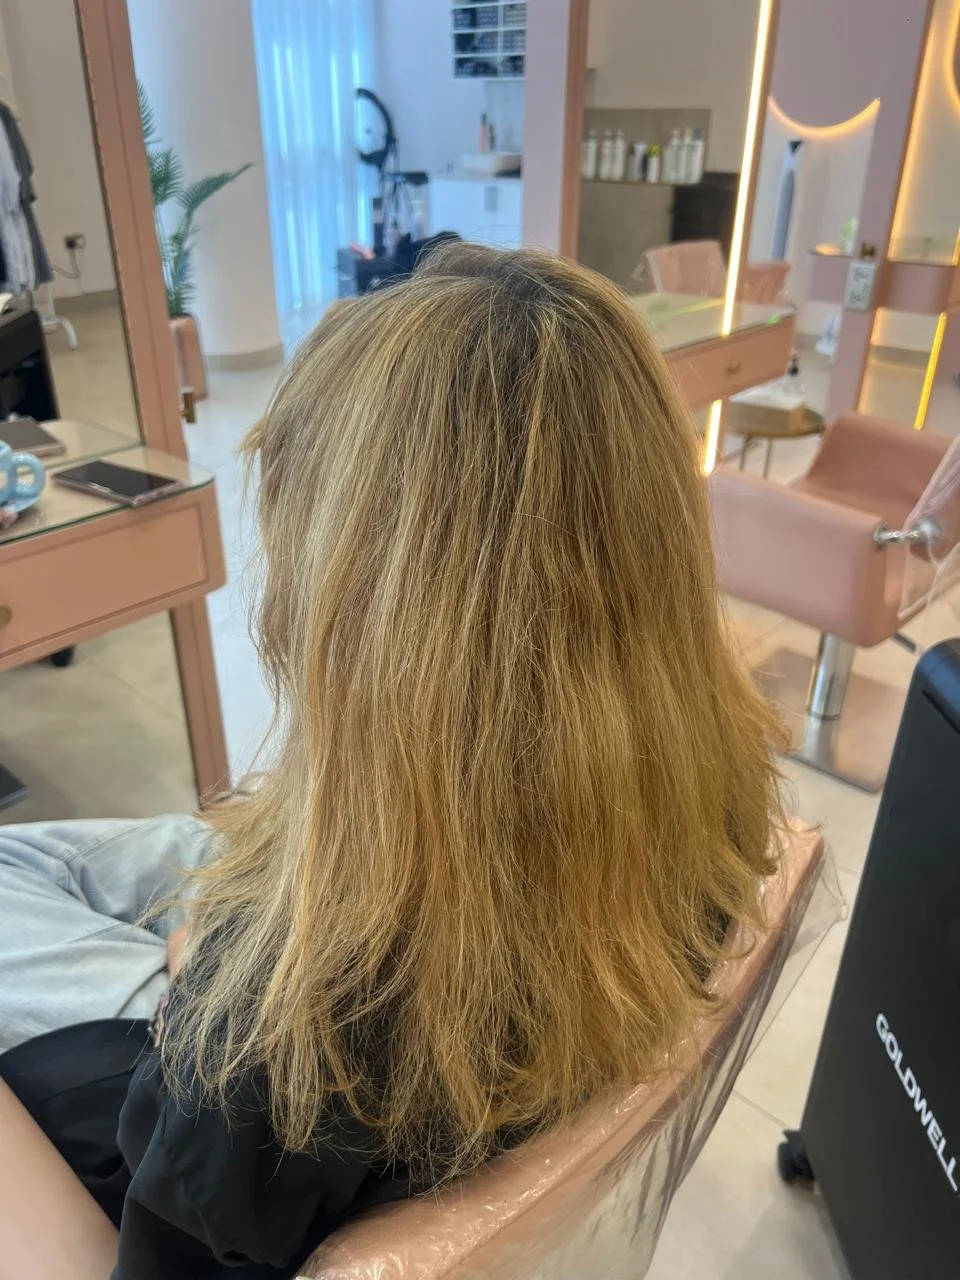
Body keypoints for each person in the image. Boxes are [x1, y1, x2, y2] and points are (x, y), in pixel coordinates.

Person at [0, 244, 784, 1279]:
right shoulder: (721, 794)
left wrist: (208, 978)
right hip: (351, 983)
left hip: (218, 1053)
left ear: (355, 605)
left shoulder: (263, 1049)